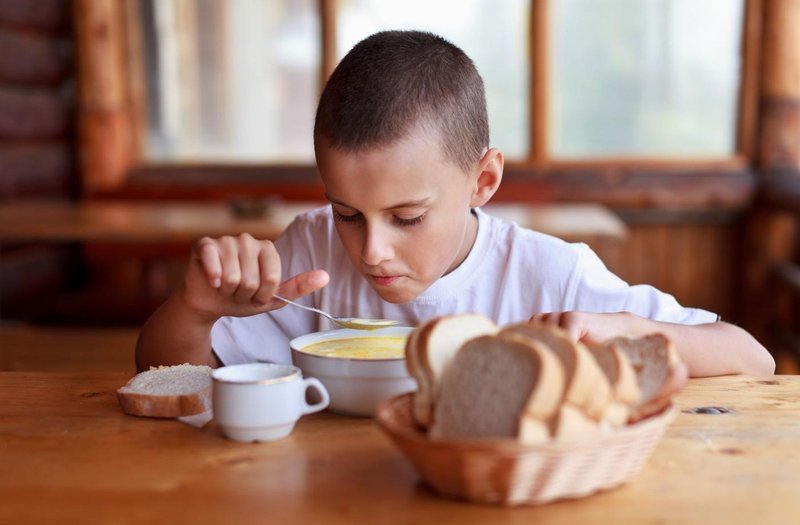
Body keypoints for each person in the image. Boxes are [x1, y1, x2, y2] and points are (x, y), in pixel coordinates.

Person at [135, 30, 774, 377]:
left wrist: (625, 330)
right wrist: (193, 309)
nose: (371, 251)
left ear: (483, 182)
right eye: (348, 213)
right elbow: (163, 375)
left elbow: (752, 356)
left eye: (407, 217)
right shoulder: (309, 251)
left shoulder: (549, 276)